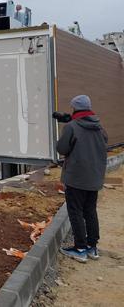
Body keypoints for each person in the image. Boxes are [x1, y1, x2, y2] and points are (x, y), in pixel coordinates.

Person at [56, 94, 108, 263]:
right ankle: (92, 247)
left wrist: (66, 129)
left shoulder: (72, 127)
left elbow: (62, 149)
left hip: (76, 178)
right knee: (90, 210)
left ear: (74, 108)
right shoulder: (100, 127)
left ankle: (80, 248)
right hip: (94, 177)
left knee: (75, 211)